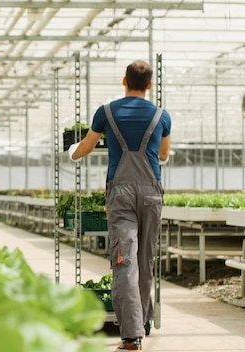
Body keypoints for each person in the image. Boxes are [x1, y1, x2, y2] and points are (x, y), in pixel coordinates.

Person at [68, 60, 171, 351]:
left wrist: (71, 155)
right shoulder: (162, 116)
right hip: (151, 193)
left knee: (124, 260)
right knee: (145, 259)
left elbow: (86, 146)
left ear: (123, 80)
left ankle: (132, 335)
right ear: (149, 85)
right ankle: (143, 321)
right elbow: (163, 154)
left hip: (121, 194)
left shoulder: (107, 112)